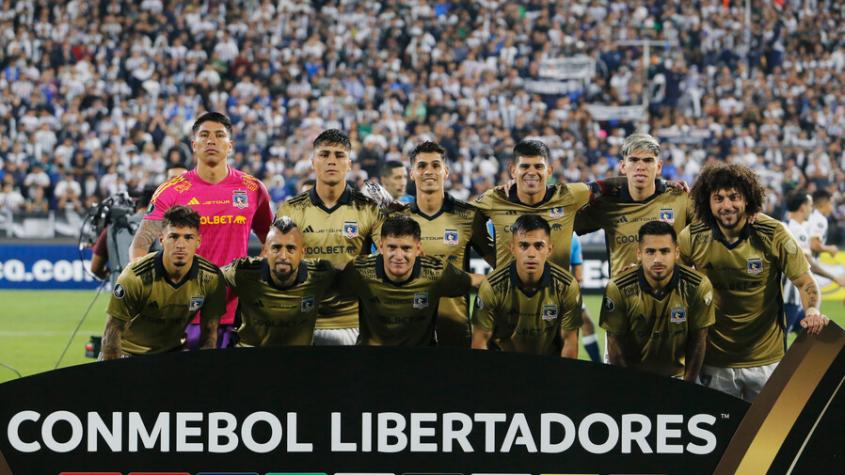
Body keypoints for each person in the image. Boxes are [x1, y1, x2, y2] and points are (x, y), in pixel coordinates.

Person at [679, 163, 830, 401]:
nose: (726, 205)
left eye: (734, 197)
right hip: (715, 361)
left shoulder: (773, 233)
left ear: (748, 199)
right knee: (723, 437)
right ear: (706, 202)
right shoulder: (692, 237)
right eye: (718, 198)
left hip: (767, 361)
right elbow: (672, 282)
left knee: (769, 436)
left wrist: (811, 309)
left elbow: (804, 282)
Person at [129, 111, 274, 349]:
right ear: (194, 145)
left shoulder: (252, 188)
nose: (211, 141)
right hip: (183, 314)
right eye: (204, 135)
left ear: (230, 145)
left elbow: (274, 239)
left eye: (219, 135)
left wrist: (256, 272)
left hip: (239, 313)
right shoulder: (171, 190)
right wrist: (148, 288)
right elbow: (141, 242)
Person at [276, 129, 385, 346]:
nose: (332, 161)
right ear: (312, 162)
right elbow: (276, 262)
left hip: (354, 322)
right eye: (324, 155)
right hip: (302, 320)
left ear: (349, 164)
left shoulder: (368, 208)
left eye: (339, 155)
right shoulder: (291, 209)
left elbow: (389, 260)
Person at [394, 141, 495, 346]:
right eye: (422, 166)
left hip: (456, 329)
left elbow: (499, 264)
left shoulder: (468, 216)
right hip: (408, 330)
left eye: (435, 165)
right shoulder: (397, 218)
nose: (429, 171)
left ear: (446, 172)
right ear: (412, 173)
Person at [100, 206, 226, 359]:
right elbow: (111, 334)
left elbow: (209, 335)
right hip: (128, 355)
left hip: (171, 356)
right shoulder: (134, 276)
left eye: (188, 237)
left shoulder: (211, 277)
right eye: (173, 236)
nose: (180, 245)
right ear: (161, 239)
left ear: (198, 241)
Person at [338, 214, 484, 346]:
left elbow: (475, 281)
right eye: (392, 247)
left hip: (420, 363)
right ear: (381, 247)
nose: (399, 255)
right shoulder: (359, 271)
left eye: (406, 248)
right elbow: (331, 284)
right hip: (371, 360)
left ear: (418, 249)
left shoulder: (437, 272)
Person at [601, 221, 714, 381]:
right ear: (639, 254)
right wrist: (627, 385)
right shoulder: (617, 288)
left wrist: (688, 386)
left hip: (678, 377)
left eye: (664, 251)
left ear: (676, 253)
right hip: (633, 377)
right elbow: (614, 344)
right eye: (650, 252)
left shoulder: (697, 286)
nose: (657, 259)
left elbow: (699, 339)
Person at [575, 133, 695, 277]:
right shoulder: (608, 204)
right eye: (633, 160)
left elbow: (709, 236)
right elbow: (563, 224)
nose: (640, 166)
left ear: (659, 167)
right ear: (623, 166)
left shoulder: (680, 197)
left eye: (648, 160)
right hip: (622, 296)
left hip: (673, 297)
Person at [471, 215, 582, 357]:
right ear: (512, 249)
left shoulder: (567, 286)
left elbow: (569, 342)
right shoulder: (491, 286)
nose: (531, 254)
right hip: (503, 368)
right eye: (523, 245)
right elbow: (480, 342)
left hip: (549, 368)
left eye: (538, 246)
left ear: (549, 249)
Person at [222, 217, 339, 346]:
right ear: (265, 251)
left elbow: (354, 282)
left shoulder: (320, 274)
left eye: (291, 248)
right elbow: (207, 278)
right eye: (276, 248)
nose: (283, 256)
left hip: (300, 362)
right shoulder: (243, 271)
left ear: (302, 253)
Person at [781, 190, 845, 333]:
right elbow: (807, 264)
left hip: (791, 296)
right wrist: (834, 278)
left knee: (816, 333)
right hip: (790, 296)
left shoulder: (782, 225)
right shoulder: (797, 230)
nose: (812, 209)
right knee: (779, 346)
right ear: (803, 207)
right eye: (810, 205)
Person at [90, 186, 156, 282]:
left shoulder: (113, 227)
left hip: (120, 292)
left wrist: (108, 274)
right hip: (153, 293)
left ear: (137, 204)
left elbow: (95, 268)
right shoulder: (165, 228)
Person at [569, 233, 601, 362]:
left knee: (586, 323)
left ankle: (598, 364)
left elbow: (578, 273)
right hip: (556, 291)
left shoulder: (574, 237)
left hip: (565, 291)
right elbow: (578, 275)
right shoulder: (572, 237)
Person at [807, 189, 838, 256]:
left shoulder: (809, 215)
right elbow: (814, 245)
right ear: (823, 204)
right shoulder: (820, 219)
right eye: (830, 203)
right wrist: (830, 249)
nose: (832, 208)